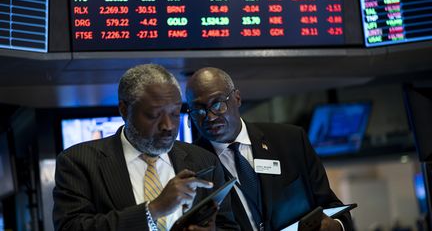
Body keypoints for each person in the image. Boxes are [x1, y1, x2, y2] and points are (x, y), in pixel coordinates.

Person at [53, 64, 239, 231]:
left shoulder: (203, 160)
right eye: (153, 115)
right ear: (124, 110)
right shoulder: (79, 162)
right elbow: (71, 227)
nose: (168, 125)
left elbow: (227, 225)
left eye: (175, 114)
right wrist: (154, 209)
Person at [185, 67, 354, 231]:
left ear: (237, 98)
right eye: (198, 110)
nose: (210, 117)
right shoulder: (190, 167)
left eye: (217, 104)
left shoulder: (291, 140)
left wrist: (336, 226)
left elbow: (332, 206)